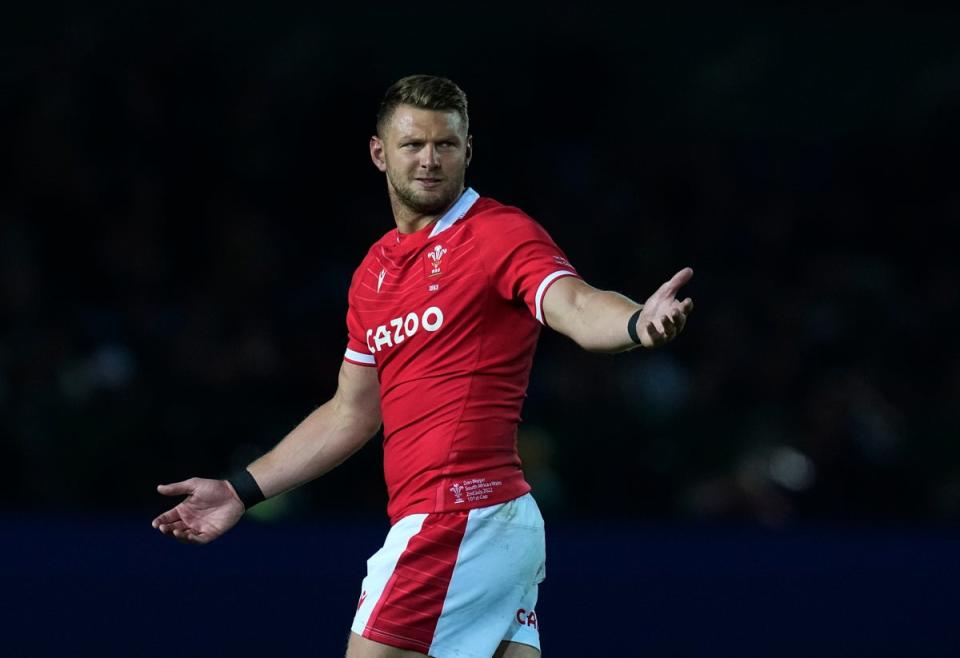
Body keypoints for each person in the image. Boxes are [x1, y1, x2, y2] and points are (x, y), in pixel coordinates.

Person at [152, 74, 694, 658]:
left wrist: (638, 322)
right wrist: (240, 490)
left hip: (459, 514)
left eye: (446, 145)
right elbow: (350, 412)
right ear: (379, 152)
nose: (430, 160)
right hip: (483, 524)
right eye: (414, 145)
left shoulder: (496, 233)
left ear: (468, 150)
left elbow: (575, 302)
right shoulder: (375, 272)